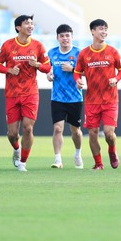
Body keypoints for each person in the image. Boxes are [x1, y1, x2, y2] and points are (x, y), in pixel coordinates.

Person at [0, 14, 51, 172]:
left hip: (31, 93)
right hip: (12, 94)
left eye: (32, 23)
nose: (31, 26)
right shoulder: (7, 45)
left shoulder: (38, 45)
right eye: (27, 23)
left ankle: (23, 162)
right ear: (18, 27)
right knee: (12, 133)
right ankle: (17, 149)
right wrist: (9, 70)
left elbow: (47, 67)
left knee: (28, 128)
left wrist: (38, 64)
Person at [73, 19, 121, 170]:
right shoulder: (84, 53)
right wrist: (78, 81)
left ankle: (112, 150)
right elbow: (77, 72)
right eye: (101, 29)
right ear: (93, 32)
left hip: (110, 99)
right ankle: (98, 164)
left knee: (109, 134)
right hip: (92, 100)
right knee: (92, 133)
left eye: (105, 29)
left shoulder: (112, 51)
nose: (104, 32)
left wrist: (116, 78)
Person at [47, 24, 84, 169]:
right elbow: (47, 69)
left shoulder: (79, 53)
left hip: (75, 98)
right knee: (57, 128)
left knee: (75, 131)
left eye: (67, 35)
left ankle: (77, 153)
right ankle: (58, 159)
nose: (65, 38)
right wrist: (48, 75)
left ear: (72, 37)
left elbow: (87, 72)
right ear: (57, 38)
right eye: (62, 36)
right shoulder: (52, 53)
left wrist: (73, 69)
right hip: (57, 98)